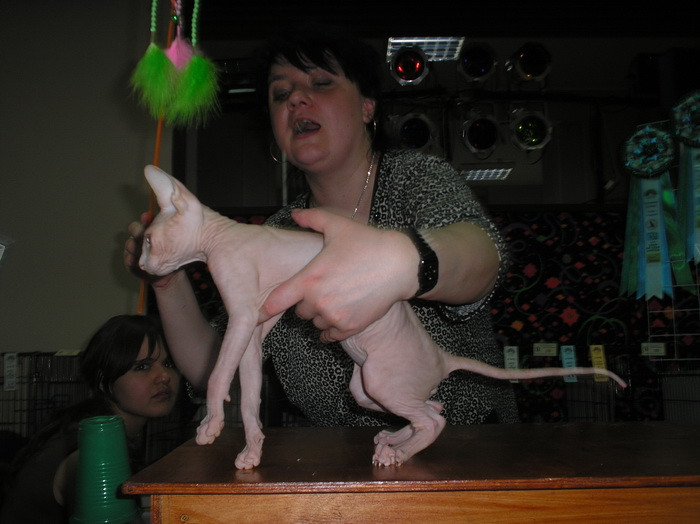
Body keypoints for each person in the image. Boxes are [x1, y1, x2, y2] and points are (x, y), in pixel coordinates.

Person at [124, 26, 518, 428]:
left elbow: (484, 256)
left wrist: (403, 260)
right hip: (334, 455)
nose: (295, 98)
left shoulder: (415, 179)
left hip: (463, 443)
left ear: (367, 107)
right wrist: (167, 281)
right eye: (281, 94)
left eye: (321, 83)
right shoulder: (279, 230)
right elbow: (211, 364)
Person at [0, 314, 182, 524]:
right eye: (142, 367)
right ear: (104, 382)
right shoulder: (90, 451)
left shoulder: (97, 428)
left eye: (169, 363)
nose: (164, 376)